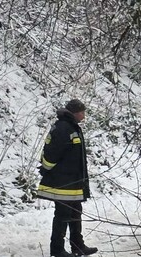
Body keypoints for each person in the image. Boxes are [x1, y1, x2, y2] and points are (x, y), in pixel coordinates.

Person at [36, 99, 98, 257]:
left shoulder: (72, 127)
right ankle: (57, 250)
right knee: (62, 216)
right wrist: (47, 169)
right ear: (75, 112)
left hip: (74, 183)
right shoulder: (64, 128)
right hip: (63, 183)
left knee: (76, 213)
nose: (84, 116)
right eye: (82, 113)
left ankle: (78, 246)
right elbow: (52, 153)